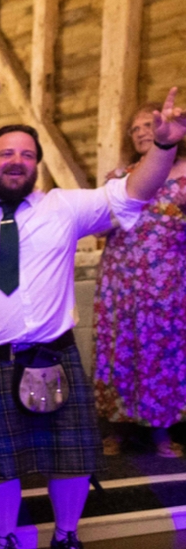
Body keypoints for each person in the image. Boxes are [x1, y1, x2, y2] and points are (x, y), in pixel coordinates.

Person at [0, 97, 184, 549]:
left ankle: (66, 537)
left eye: (27, 154)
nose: (17, 161)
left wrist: (166, 143)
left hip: (56, 356)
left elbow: (135, 191)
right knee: (0, 468)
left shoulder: (63, 207)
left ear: (36, 165)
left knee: (71, 460)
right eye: (5, 153)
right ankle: (6, 545)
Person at [94, 102, 186, 458]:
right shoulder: (120, 176)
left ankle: (162, 433)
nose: (143, 132)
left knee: (162, 354)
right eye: (136, 129)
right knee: (118, 349)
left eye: (150, 124)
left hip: (168, 283)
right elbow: (99, 228)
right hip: (120, 280)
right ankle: (116, 431)